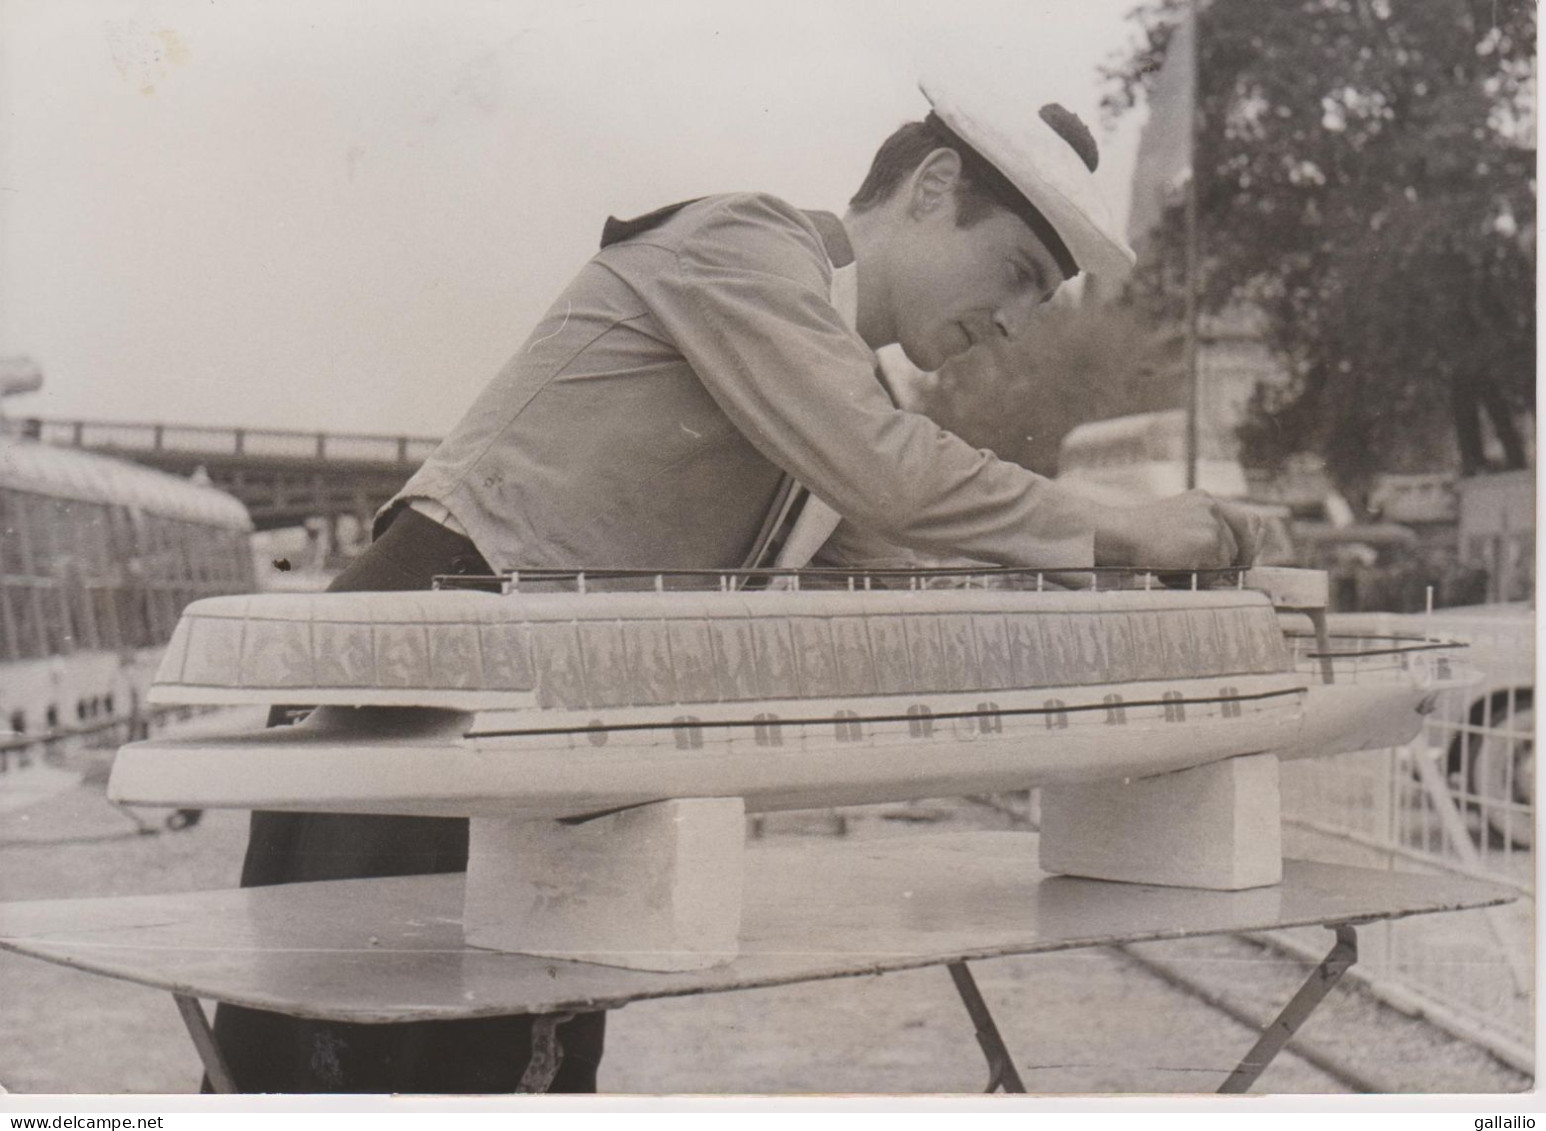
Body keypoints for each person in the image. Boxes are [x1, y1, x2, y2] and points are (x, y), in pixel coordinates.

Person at [210, 72, 1259, 1094]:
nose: (1018, 320)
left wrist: (1164, 609)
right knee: (338, 1067)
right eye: (1020, 272)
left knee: (509, 1062)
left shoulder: (825, 388)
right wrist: (1127, 527)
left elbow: (918, 572)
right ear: (933, 187)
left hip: (538, 706)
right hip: (420, 654)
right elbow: (891, 473)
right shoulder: (749, 245)